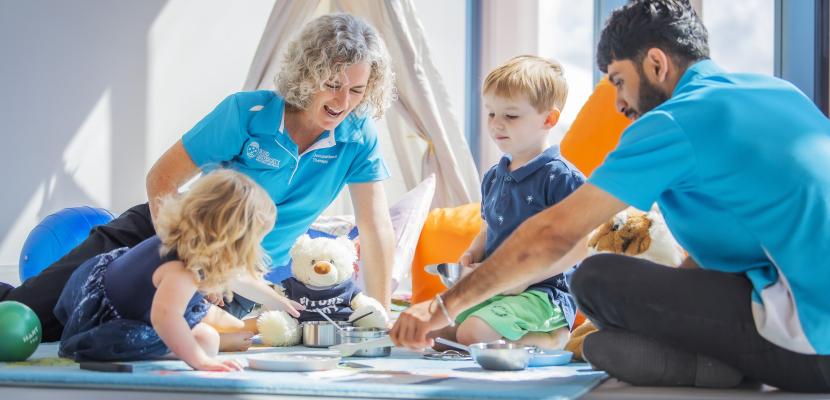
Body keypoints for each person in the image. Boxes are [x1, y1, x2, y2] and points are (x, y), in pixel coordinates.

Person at [391, 0, 830, 393]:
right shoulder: (778, 92)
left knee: (596, 278)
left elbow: (556, 235)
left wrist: (441, 307)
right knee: (608, 342)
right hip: (798, 309)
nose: (619, 102)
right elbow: (733, 250)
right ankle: (707, 362)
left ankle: (713, 365)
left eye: (619, 80)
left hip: (813, 340)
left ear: (657, 64)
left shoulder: (676, 119)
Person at [1, 13, 397, 342]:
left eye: (357, 90)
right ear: (307, 75)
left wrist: (379, 320)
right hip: (154, 241)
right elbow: (162, 179)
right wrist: (191, 259)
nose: (343, 102)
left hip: (236, 282)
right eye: (332, 85)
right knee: (26, 314)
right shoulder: (248, 112)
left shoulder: (358, 137)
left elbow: (375, 226)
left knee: (94, 338)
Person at [54, 170, 302, 371]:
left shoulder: (186, 243)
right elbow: (165, 318)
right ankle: (179, 347)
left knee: (215, 318)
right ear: (233, 238)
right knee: (207, 341)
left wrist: (281, 302)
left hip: (114, 291)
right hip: (113, 320)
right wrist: (201, 361)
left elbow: (238, 279)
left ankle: (217, 336)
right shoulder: (181, 270)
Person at [438, 56, 585, 349]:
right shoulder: (494, 176)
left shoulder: (560, 177)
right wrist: (472, 253)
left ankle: (555, 339)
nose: (496, 124)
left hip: (543, 294)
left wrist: (525, 278)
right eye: (491, 114)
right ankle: (492, 337)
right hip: (498, 288)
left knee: (470, 335)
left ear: (549, 119)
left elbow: (580, 247)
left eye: (511, 116)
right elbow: (487, 228)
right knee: (436, 332)